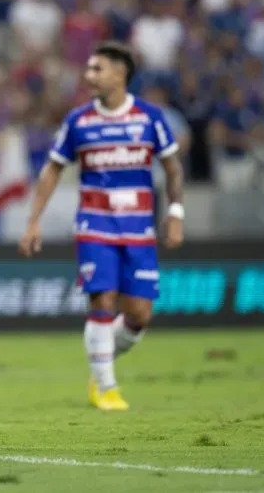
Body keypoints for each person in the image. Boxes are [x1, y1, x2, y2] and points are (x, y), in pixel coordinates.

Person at [19, 42, 185, 411]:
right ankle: (107, 387)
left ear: (120, 73)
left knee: (139, 315)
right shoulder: (79, 121)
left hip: (139, 228)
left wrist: (175, 213)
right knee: (102, 299)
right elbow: (52, 169)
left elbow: (173, 168)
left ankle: (100, 361)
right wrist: (33, 222)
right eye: (89, 68)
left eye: (97, 69)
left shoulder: (150, 118)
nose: (88, 75)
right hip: (95, 226)